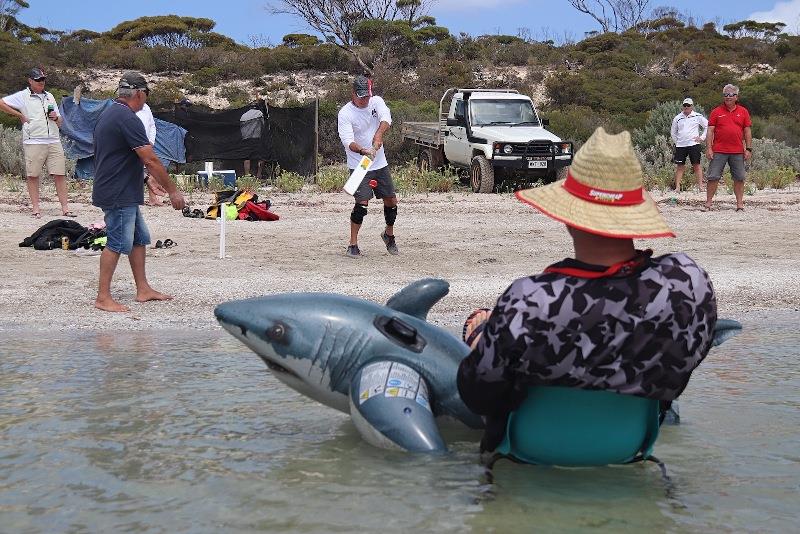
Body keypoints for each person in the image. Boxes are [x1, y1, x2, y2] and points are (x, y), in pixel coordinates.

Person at [457, 127, 718, 453]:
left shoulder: (529, 301)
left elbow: (477, 394)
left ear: (568, 217)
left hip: (529, 456)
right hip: (628, 450)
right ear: (634, 217)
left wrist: (484, 335)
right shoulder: (688, 285)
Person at [92, 72, 186, 312]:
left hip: (121, 188)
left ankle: (143, 289)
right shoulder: (127, 118)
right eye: (146, 95)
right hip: (118, 191)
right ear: (140, 93)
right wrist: (173, 191)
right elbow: (151, 159)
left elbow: (121, 156)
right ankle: (103, 297)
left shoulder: (111, 113)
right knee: (117, 241)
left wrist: (146, 180)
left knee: (139, 238)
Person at [0, 67, 74, 218]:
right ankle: (36, 208)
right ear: (30, 81)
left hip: (53, 139)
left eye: (43, 79)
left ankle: (66, 208)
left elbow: (60, 121)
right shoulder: (23, 96)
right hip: (33, 140)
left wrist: (56, 118)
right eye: (38, 80)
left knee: (60, 174)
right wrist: (19, 114)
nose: (41, 82)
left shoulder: (50, 96)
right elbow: (1, 103)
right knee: (33, 175)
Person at [337, 75, 397, 258]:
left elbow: (386, 118)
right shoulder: (345, 113)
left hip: (380, 163)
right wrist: (364, 151)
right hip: (359, 166)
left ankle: (388, 235)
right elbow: (348, 142)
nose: (364, 100)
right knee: (362, 205)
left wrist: (378, 135)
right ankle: (352, 244)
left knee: (391, 201)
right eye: (361, 96)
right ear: (353, 94)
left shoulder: (376, 101)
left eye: (367, 96)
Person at [705, 84, 752, 212]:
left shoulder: (743, 111)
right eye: (725, 94)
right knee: (713, 177)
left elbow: (747, 131)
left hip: (737, 151)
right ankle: (708, 203)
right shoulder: (716, 111)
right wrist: (709, 148)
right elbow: (710, 131)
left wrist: (748, 148)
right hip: (719, 150)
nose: (728, 97)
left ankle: (740, 205)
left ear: (736, 97)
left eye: (731, 94)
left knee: (740, 177)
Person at [671, 97, 708, 192]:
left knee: (696, 165)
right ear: (682, 106)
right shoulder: (677, 118)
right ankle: (677, 187)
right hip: (681, 146)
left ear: (692, 106)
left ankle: (700, 186)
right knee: (680, 166)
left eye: (688, 105)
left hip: (693, 144)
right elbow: (673, 132)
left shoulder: (697, 116)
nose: (686, 107)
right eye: (685, 105)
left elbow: (708, 126)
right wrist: (677, 142)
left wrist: (702, 138)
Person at [136, 102, 167, 206]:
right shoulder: (127, 107)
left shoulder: (146, 107)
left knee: (150, 168)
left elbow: (152, 125)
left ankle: (153, 198)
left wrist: (151, 141)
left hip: (146, 143)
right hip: (133, 144)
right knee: (131, 168)